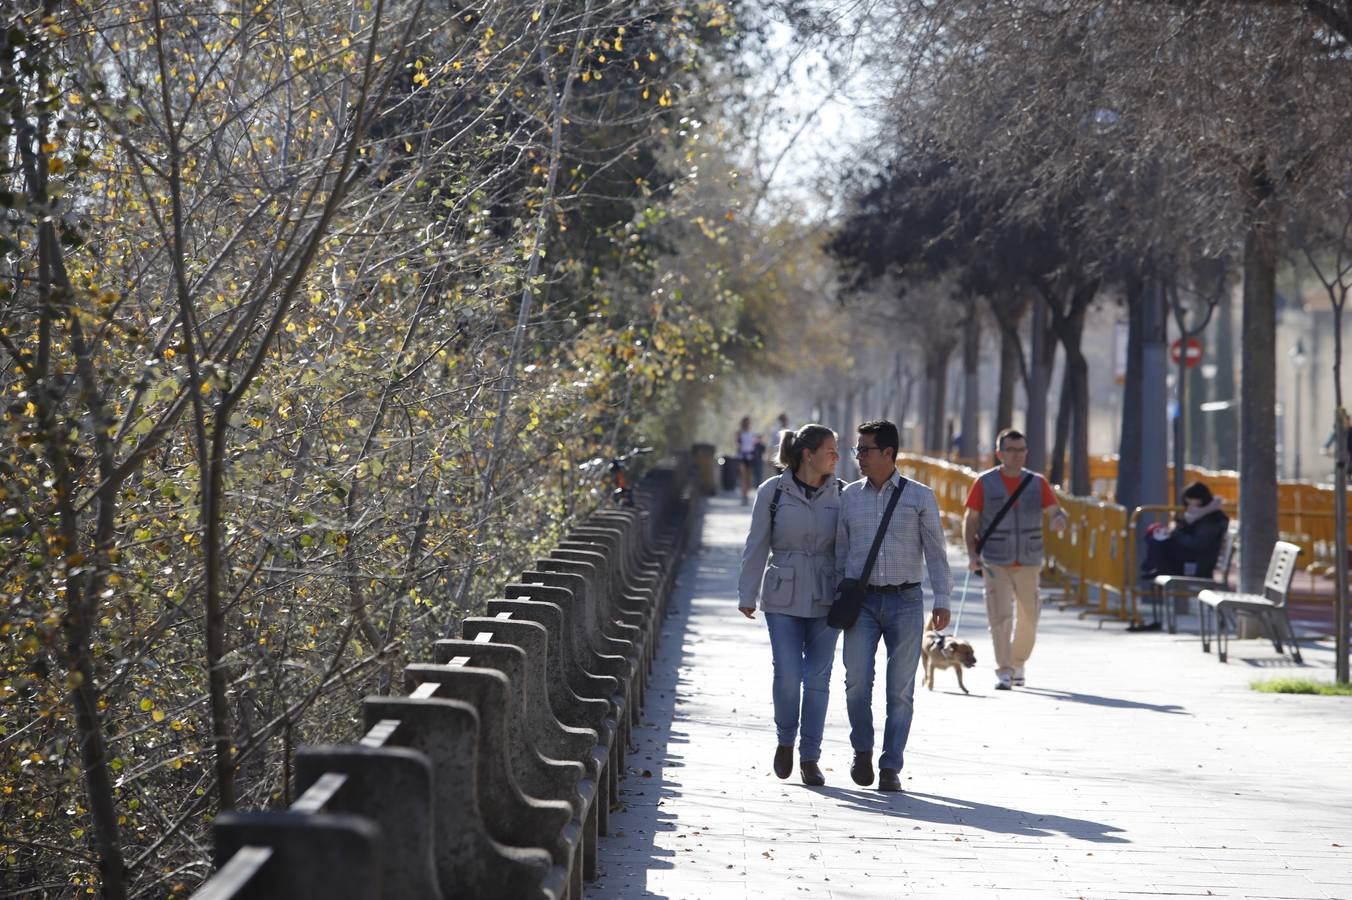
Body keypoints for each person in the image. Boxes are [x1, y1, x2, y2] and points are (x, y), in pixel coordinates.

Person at [836, 419, 952, 792]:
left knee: (900, 690)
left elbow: (936, 552)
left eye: (865, 450)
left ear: (888, 453)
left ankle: (891, 766)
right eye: (857, 450)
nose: (859, 457)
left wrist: (943, 599)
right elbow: (840, 552)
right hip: (863, 603)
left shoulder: (920, 496)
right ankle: (862, 750)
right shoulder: (849, 497)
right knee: (856, 681)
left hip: (906, 601)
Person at [738, 425, 843, 786]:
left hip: (826, 595)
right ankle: (785, 740)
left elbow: (849, 546)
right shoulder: (773, 491)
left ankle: (810, 757)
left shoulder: (842, 492)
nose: (837, 456)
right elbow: (757, 543)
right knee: (787, 673)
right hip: (782, 592)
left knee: (818, 679)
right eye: (830, 450)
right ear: (807, 454)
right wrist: (746, 593)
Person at [962, 429, 1068, 692]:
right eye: (1011, 450)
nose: (1017, 455)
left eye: (1021, 450)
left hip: (1029, 559)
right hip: (995, 559)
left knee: (1030, 617)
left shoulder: (1037, 483)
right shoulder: (985, 483)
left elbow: (1055, 510)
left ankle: (1018, 661)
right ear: (999, 453)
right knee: (1000, 616)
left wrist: (1059, 519)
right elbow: (971, 520)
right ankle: (1005, 671)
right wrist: (972, 554)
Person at [1141, 481, 1229, 580]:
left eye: (1190, 502)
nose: (1188, 507)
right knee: (1155, 538)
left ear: (1200, 500)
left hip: (1199, 563)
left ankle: (1158, 569)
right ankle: (1155, 567)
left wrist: (1176, 534)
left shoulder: (1212, 519)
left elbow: (1198, 544)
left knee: (1160, 543)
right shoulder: (1199, 515)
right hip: (1193, 558)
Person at [735, 415, 757, 505]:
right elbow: (738, 445)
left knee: (748, 477)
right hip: (742, 457)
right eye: (746, 422)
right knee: (743, 477)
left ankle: (746, 495)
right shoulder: (739, 433)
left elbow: (753, 446)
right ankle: (743, 496)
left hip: (750, 456)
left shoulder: (752, 433)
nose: (748, 424)